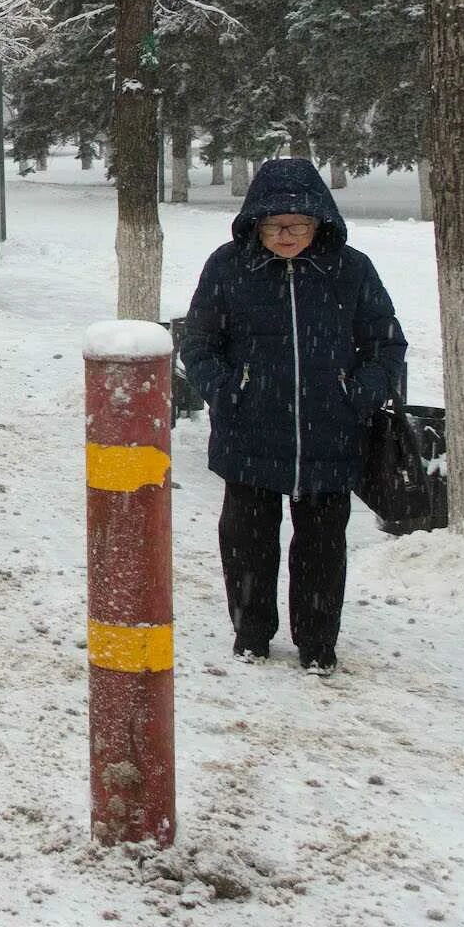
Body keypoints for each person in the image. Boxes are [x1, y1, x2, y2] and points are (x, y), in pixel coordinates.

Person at [177, 157, 405, 675]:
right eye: (275, 224)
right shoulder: (228, 266)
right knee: (247, 542)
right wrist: (226, 391)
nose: (286, 234)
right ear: (255, 222)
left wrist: (359, 395)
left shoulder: (352, 270)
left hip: (330, 432)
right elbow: (200, 340)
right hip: (248, 431)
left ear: (320, 222)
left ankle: (318, 643)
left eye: (298, 224)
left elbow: (385, 343)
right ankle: (252, 633)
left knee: (323, 548)